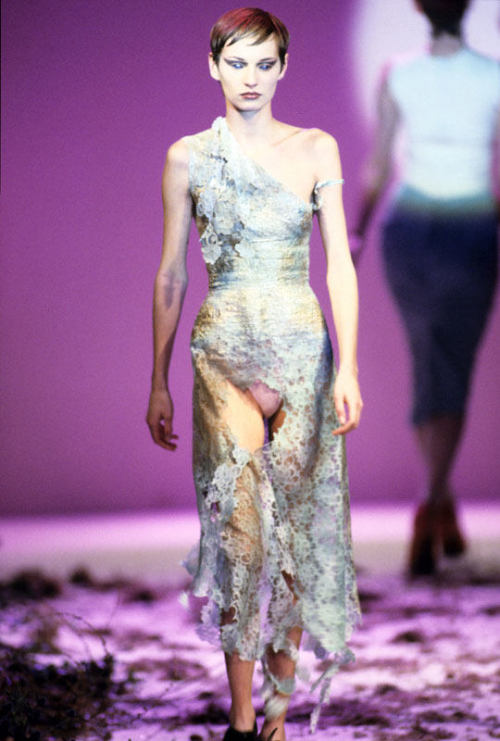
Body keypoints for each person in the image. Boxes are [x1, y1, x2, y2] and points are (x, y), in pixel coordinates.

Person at [146, 8, 362, 740]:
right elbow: (171, 273)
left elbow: (340, 266)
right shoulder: (188, 157)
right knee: (241, 538)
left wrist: (350, 366)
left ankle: (276, 712)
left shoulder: (317, 148)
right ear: (213, 66)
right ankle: (241, 720)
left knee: (296, 536)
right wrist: (158, 378)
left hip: (303, 354)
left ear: (284, 68)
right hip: (224, 357)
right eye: (236, 63)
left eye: (264, 64)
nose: (250, 78)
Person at [354, 0, 500, 576]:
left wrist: (359, 231)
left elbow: (377, 166)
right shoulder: (492, 75)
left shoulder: (399, 72)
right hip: (469, 228)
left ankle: (437, 502)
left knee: (429, 362)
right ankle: (433, 500)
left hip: (411, 230)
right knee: (450, 367)